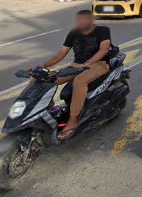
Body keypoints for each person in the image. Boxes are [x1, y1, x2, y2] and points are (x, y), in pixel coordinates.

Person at [37, 10, 112, 140]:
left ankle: (73, 119)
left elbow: (104, 49)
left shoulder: (103, 30)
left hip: (98, 64)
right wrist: (43, 66)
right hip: (76, 65)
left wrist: (86, 64)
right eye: (78, 20)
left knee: (80, 81)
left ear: (90, 20)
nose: (80, 23)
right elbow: (61, 54)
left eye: (83, 20)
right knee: (46, 79)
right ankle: (48, 110)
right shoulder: (74, 33)